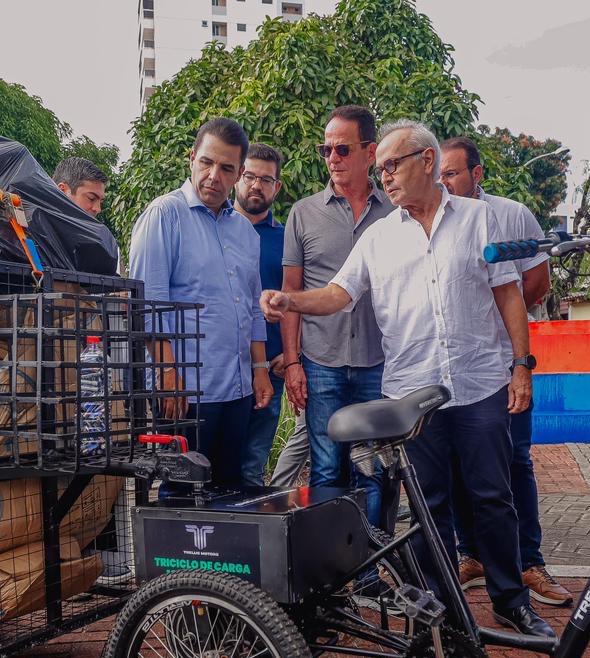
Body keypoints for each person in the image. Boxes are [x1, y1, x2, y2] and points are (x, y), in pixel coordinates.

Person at [261, 119, 553, 640]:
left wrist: (520, 365)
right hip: (413, 395)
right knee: (427, 506)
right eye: (381, 170)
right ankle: (440, 613)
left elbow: (509, 293)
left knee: (493, 497)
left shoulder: (479, 219)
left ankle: (511, 601)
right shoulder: (379, 237)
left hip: (480, 382)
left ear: (427, 161)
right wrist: (291, 301)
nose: (385, 177)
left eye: (392, 165)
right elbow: (339, 294)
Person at [440, 136, 572, 607]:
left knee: (515, 461)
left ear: (476, 173)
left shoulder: (511, 215)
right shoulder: (430, 222)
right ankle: (471, 555)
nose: (444, 183)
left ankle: (529, 562)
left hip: (503, 363)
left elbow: (537, 279)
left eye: (452, 173)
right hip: (454, 369)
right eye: (439, 175)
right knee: (457, 463)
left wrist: (499, 321)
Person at [129, 117, 274, 489]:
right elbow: (149, 304)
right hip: (185, 389)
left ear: (238, 174)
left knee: (229, 491)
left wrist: (259, 369)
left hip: (237, 389)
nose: (214, 176)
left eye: (226, 168)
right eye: (207, 162)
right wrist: (167, 373)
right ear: (192, 158)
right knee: (183, 496)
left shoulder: (244, 231)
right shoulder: (164, 215)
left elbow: (252, 307)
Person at [279, 105, 394, 526]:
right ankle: (330, 561)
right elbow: (291, 294)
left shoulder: (395, 213)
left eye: (342, 149)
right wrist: (293, 363)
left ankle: (373, 560)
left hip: (379, 364)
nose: (332, 158)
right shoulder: (304, 213)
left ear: (370, 152)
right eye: (325, 149)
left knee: (374, 471)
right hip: (321, 362)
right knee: (326, 470)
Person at [235, 143, 288, 487]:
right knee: (213, 467)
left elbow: (299, 298)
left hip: (271, 368)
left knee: (252, 468)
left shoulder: (287, 239)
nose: (256, 185)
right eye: (249, 176)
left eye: (266, 179)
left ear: (276, 186)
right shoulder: (215, 230)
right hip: (224, 370)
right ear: (237, 177)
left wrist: (293, 353)